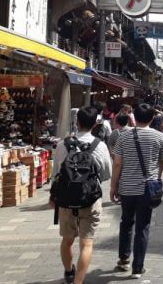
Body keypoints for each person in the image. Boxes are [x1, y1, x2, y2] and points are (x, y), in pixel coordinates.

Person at [51, 107, 112, 284]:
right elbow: (106, 173)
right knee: (86, 243)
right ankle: (78, 282)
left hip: (66, 200)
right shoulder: (100, 145)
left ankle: (69, 272)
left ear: (77, 122)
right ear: (95, 124)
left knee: (67, 239)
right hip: (90, 199)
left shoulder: (63, 144)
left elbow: (56, 173)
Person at [109, 103, 163, 279]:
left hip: (126, 188)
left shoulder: (124, 136)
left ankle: (123, 259)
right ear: (151, 118)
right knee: (142, 227)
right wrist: (158, 176)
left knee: (126, 222)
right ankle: (138, 267)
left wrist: (113, 186)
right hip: (147, 188)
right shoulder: (159, 136)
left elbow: (117, 163)